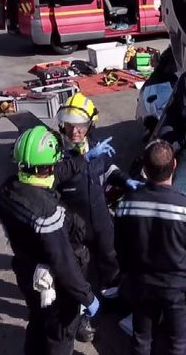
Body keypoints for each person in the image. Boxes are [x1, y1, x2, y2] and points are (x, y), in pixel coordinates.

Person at [0, 126, 100, 355]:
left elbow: (55, 174)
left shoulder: (7, 190)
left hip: (27, 273)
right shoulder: (47, 213)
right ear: (47, 167)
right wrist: (87, 296)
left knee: (37, 321)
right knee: (60, 334)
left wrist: (82, 159)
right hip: (54, 285)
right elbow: (64, 264)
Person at [114, 139, 186, 354]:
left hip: (141, 284)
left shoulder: (126, 206)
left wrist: (127, 276)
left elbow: (120, 248)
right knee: (179, 344)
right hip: (179, 289)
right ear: (175, 165)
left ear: (145, 170)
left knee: (141, 339)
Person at [55, 92, 142, 341]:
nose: (74, 132)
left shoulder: (96, 146)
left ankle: (112, 299)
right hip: (74, 227)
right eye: (70, 126)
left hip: (101, 220)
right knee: (77, 274)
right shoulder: (56, 154)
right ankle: (81, 317)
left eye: (80, 127)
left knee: (110, 261)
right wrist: (82, 159)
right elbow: (54, 179)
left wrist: (125, 180)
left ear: (90, 125)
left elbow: (106, 169)